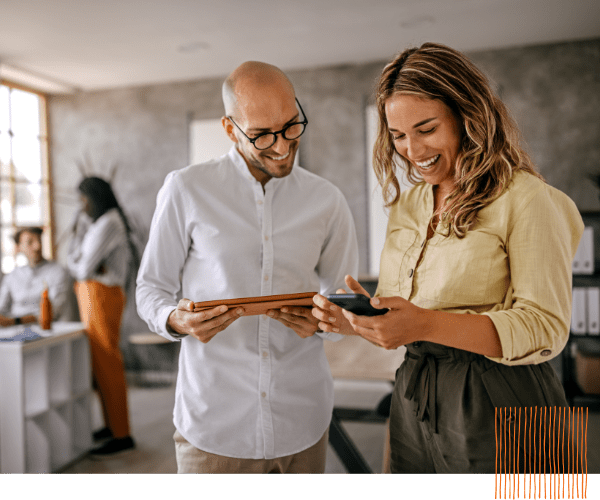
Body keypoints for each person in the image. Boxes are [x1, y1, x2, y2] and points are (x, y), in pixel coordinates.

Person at [312, 42, 585, 474]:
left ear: (467, 116)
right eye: (398, 135)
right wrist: (356, 320)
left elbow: (545, 327)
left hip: (507, 393)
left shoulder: (527, 199)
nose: (412, 150)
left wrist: (424, 323)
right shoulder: (408, 206)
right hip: (417, 393)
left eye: (426, 129)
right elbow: (405, 311)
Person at [136, 61, 359, 474]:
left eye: (292, 125)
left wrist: (332, 319)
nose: (281, 145)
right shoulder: (185, 189)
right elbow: (151, 289)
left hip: (303, 419)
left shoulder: (327, 201)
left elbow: (343, 299)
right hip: (215, 425)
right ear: (229, 128)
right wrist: (176, 320)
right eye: (261, 135)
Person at [67, 176, 138, 457]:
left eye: (83, 199)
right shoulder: (100, 223)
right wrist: (83, 263)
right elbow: (83, 263)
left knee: (107, 362)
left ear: (94, 197)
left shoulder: (108, 222)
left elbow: (81, 267)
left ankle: (122, 434)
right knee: (99, 363)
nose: (81, 206)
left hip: (101, 296)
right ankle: (111, 426)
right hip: (94, 295)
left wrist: (78, 262)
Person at [0, 227, 73, 327]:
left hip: (48, 329)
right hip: (13, 330)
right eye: (30, 242)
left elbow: (54, 311)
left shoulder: (58, 272)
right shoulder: (12, 276)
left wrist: (15, 321)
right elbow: (2, 308)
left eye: (39, 241)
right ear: (18, 247)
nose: (37, 246)